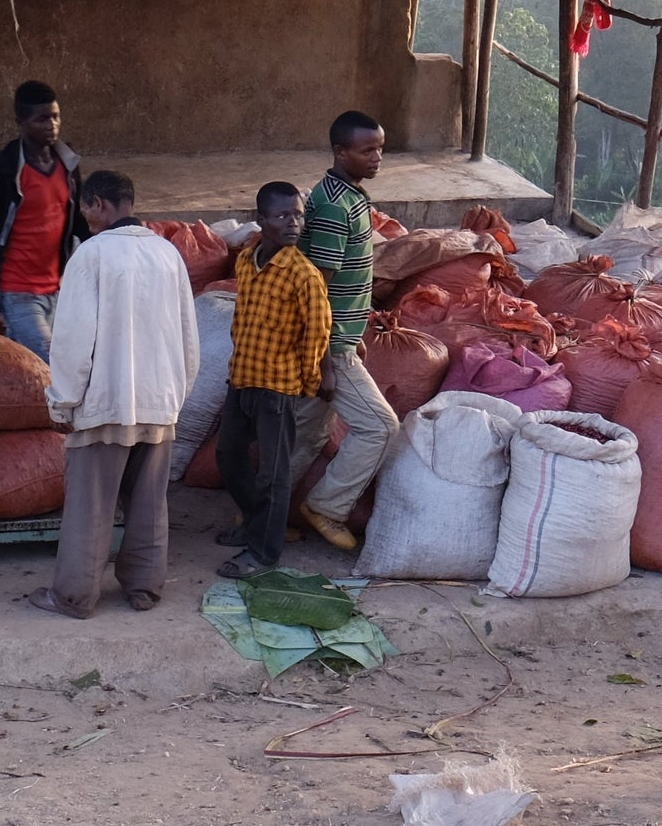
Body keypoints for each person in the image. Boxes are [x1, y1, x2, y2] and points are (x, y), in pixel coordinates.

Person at [34, 170, 198, 619]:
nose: (84, 218)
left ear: (100, 205)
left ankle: (74, 596)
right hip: (159, 401)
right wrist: (176, 395)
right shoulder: (168, 254)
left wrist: (63, 401)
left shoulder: (91, 256)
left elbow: (71, 340)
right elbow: (188, 335)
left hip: (104, 402)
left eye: (85, 209)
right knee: (149, 502)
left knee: (91, 504)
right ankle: (144, 588)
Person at [215, 183, 333, 580]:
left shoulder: (305, 275)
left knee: (273, 472)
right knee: (228, 458)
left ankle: (264, 553)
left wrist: (307, 382)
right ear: (261, 219)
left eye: (298, 215)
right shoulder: (247, 261)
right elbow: (241, 317)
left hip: (278, 388)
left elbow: (317, 334)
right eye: (283, 216)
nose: (293, 223)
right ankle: (253, 522)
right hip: (242, 378)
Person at [292, 111, 398, 550]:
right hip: (328, 346)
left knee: (307, 433)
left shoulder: (346, 195)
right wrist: (326, 359)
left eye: (380, 148)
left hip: (339, 340)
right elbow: (318, 286)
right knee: (381, 427)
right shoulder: (336, 207)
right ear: (340, 152)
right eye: (366, 150)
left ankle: (262, 508)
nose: (376, 158)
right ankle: (326, 507)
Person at [0, 80, 88, 364]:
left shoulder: (67, 165)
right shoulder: (5, 170)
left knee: (33, 369)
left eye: (55, 116)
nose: (51, 125)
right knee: (55, 364)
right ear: (21, 121)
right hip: (17, 290)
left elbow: (78, 220)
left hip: (55, 288)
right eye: (41, 119)